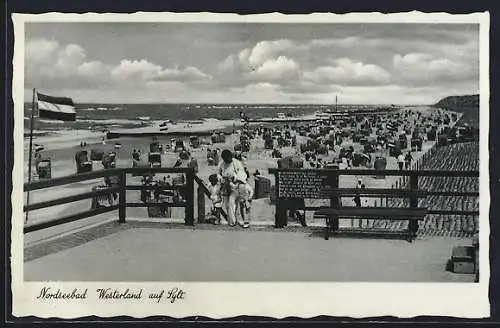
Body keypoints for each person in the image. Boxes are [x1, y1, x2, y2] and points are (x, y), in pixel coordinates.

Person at [217, 149, 247, 227]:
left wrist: (235, 178)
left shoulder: (236, 163)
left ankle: (239, 220)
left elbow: (242, 174)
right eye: (225, 159)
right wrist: (221, 179)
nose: (227, 161)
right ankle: (231, 221)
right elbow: (218, 174)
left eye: (228, 159)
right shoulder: (221, 164)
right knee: (227, 205)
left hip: (236, 186)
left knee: (235, 204)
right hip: (225, 186)